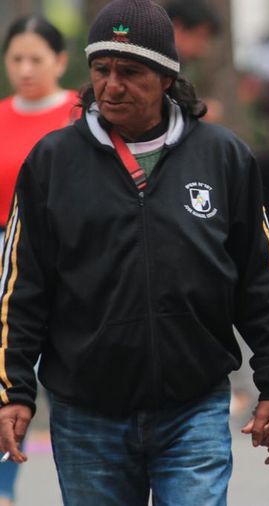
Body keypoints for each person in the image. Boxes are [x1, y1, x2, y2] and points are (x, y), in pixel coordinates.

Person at [0, 1, 269, 504]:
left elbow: (260, 280)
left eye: (130, 71)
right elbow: (22, 288)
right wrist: (13, 392)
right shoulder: (52, 162)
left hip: (195, 409)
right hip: (86, 414)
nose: (112, 85)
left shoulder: (222, 156)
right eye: (101, 70)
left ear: (166, 76)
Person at [0, 15, 78, 506]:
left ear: (61, 61)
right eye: (16, 59)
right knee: (5, 369)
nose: (25, 69)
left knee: (59, 368)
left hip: (69, 258)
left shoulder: (82, 114)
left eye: (36, 59)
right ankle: (4, 486)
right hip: (6, 256)